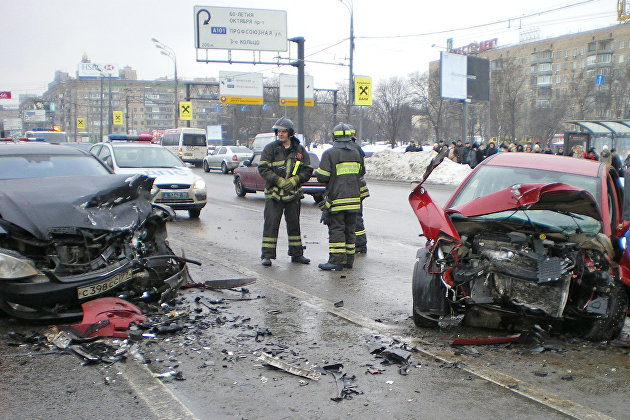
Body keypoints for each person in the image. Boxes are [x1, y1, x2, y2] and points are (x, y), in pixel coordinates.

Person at [258, 117, 313, 267]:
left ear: (290, 133)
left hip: (292, 195)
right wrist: (279, 181)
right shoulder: (270, 149)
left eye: (284, 131)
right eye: (279, 131)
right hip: (274, 195)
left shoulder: (299, 151)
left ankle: (297, 254)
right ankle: (267, 256)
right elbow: (263, 168)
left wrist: (295, 181)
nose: (281, 134)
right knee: (271, 225)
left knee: (294, 225)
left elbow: (307, 170)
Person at [315, 122, 365, 271]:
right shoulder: (356, 153)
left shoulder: (330, 154)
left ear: (334, 137)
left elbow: (322, 177)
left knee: (337, 230)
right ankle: (348, 260)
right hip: (355, 200)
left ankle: (336, 261)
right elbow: (361, 172)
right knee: (350, 230)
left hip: (337, 199)